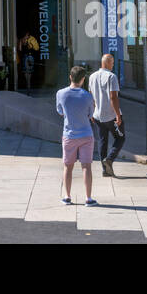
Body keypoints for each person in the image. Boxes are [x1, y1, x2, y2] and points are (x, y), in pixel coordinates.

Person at [56, 65, 98, 206]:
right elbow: (90, 114)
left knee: (68, 166)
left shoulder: (61, 93)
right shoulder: (87, 96)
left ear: (70, 77)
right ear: (83, 79)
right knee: (86, 166)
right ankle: (88, 198)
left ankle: (67, 197)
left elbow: (60, 112)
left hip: (69, 135)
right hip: (86, 134)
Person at [86, 54, 124, 177]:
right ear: (107, 63)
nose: (113, 65)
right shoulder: (112, 77)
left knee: (103, 140)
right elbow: (113, 97)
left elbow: (90, 95)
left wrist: (91, 111)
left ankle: (105, 170)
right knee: (120, 138)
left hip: (97, 115)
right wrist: (118, 115)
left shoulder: (92, 76)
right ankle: (109, 159)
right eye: (112, 62)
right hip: (111, 115)